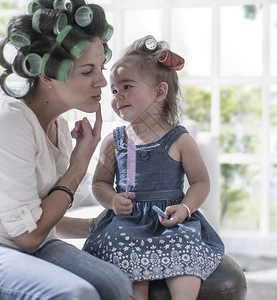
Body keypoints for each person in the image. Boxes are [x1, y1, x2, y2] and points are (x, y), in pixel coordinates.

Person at [0, 1, 133, 299]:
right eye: (87, 71)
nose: (103, 81)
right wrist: (79, 164)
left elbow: (35, 221)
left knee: (115, 283)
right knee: (75, 293)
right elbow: (27, 235)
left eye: (101, 68)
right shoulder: (7, 123)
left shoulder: (59, 128)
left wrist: (101, 224)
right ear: (47, 75)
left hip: (27, 241)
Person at [83, 35, 225, 300]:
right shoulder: (113, 142)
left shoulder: (180, 139)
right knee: (125, 260)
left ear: (160, 92)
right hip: (128, 223)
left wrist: (185, 208)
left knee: (186, 252)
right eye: (114, 90)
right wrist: (112, 200)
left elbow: (201, 183)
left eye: (126, 87)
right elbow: (99, 184)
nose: (118, 96)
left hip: (170, 221)